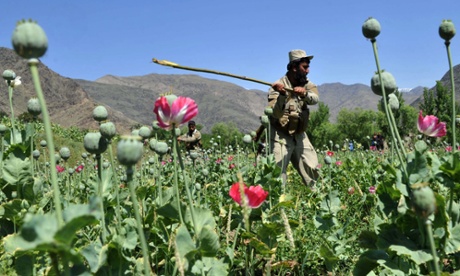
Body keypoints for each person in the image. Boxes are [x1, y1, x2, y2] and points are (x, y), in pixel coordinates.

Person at [267, 49, 319, 191]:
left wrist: (304, 94)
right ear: (294, 67)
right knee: (276, 173)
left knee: (312, 168)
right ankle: (277, 206)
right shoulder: (277, 86)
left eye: (308, 66)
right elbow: (276, 114)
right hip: (280, 134)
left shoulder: (307, 83)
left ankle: (318, 201)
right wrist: (282, 95)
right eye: (305, 67)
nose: (308, 70)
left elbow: (315, 99)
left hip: (299, 134)